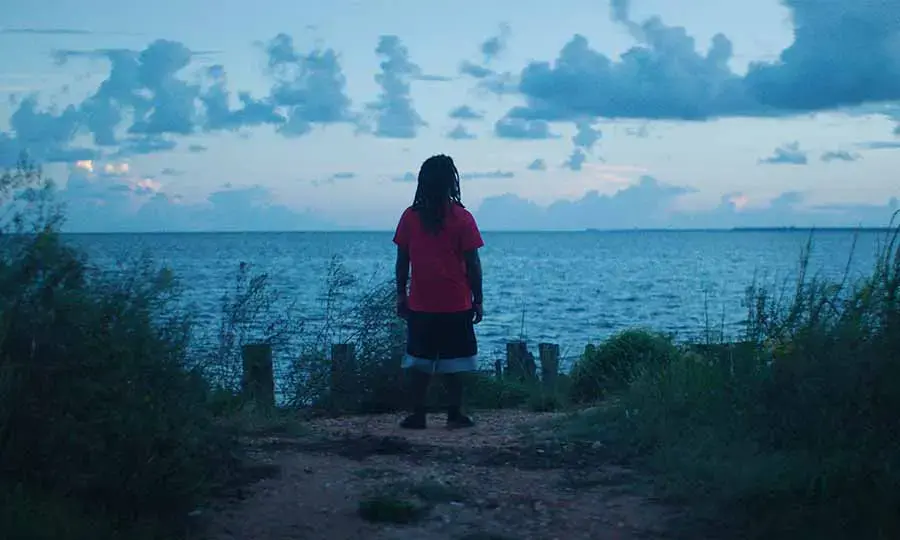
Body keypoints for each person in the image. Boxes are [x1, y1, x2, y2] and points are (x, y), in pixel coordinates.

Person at [393, 154, 484, 430]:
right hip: (455, 303)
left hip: (422, 304)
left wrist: (400, 294)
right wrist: (478, 299)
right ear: (451, 183)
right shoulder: (462, 218)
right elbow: (473, 264)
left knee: (419, 362)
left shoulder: (410, 217)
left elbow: (402, 261)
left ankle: (418, 414)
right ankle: (454, 414)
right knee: (455, 362)